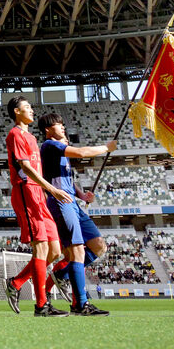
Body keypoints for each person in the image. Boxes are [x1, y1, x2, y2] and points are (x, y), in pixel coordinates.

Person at [1, 95, 72, 317]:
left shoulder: (31, 138)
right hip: (26, 192)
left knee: (55, 250)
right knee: (41, 248)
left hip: (38, 194)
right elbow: (25, 168)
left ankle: (17, 282)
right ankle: (41, 305)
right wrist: (52, 189)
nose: (32, 111)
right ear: (16, 112)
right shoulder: (15, 134)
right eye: (27, 107)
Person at [38, 112, 114, 317]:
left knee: (98, 246)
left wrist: (82, 195)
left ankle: (61, 273)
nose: (62, 127)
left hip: (73, 203)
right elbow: (81, 153)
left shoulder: (60, 153)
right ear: (47, 130)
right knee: (77, 251)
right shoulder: (50, 146)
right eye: (58, 124)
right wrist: (105, 148)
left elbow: (67, 179)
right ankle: (81, 304)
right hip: (61, 203)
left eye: (63, 124)